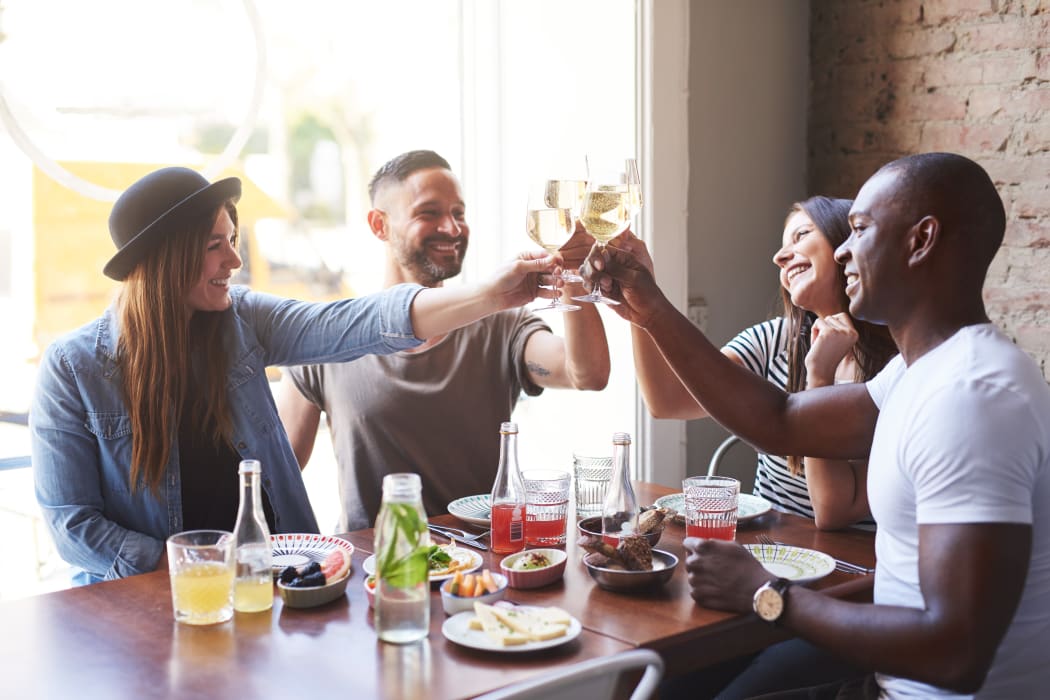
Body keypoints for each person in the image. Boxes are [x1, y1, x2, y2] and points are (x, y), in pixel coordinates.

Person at [586, 152, 1050, 698]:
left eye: (859, 230)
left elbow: (955, 653)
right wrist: (649, 308)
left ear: (921, 241)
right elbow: (779, 421)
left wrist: (769, 592)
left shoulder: (971, 395)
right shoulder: (919, 371)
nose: (845, 249)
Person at [31, 166, 561, 585]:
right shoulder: (73, 368)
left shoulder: (243, 320)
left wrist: (495, 294)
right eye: (216, 244)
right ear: (165, 260)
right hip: (148, 602)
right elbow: (73, 525)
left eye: (232, 239)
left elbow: (358, 323)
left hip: (275, 584)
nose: (234, 259)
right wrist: (200, 565)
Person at [277, 150, 610, 531]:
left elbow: (588, 375)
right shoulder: (331, 336)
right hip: (375, 574)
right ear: (379, 225)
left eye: (459, 213)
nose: (452, 228)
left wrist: (570, 274)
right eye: (428, 213)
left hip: (481, 572)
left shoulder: (500, 325)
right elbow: (277, 476)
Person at [631, 196, 896, 528]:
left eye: (801, 235)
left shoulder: (898, 366)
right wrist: (637, 304)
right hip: (771, 549)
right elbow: (667, 400)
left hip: (853, 563)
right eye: (783, 245)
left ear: (848, 243)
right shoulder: (773, 340)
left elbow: (832, 513)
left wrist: (818, 376)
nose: (779, 257)